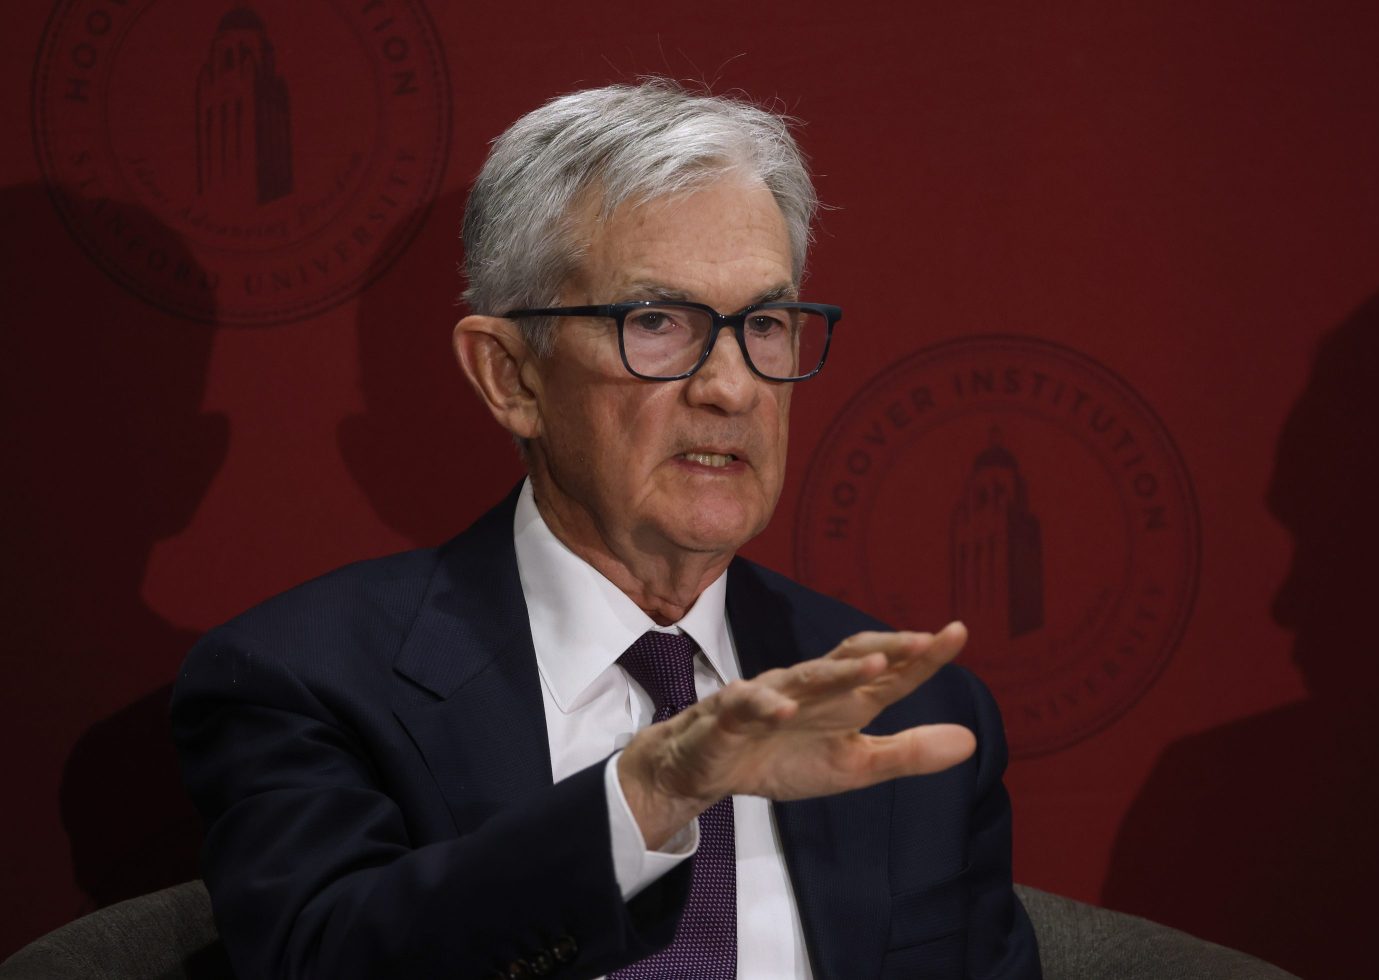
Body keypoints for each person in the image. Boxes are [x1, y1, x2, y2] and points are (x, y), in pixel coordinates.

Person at [172, 80, 1040, 980]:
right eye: (658, 322)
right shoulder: (305, 678)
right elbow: (328, 961)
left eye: (766, 325)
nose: (733, 387)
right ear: (511, 376)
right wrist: (651, 794)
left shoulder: (914, 714)